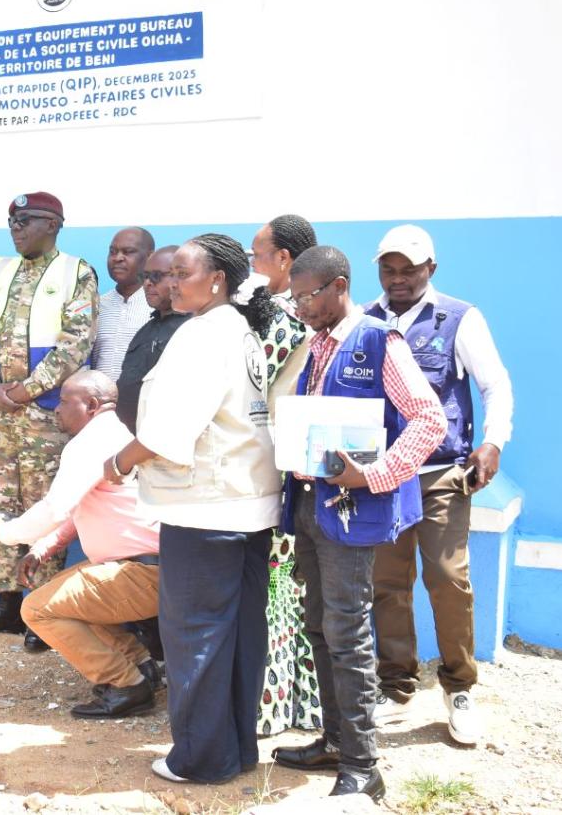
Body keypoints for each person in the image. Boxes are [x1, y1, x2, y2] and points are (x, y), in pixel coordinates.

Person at [105, 233, 282, 785]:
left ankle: (201, 759)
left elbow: (167, 431)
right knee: (236, 638)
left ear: (217, 280)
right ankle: (234, 750)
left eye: (182, 273)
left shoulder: (202, 335)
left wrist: (119, 462)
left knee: (197, 640)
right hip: (246, 508)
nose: (172, 282)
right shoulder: (238, 330)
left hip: (205, 511)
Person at [271, 246, 447, 802]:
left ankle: (364, 765)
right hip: (310, 506)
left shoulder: (378, 341)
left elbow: (428, 420)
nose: (299, 308)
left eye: (307, 296)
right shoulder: (317, 344)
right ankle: (335, 740)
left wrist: (374, 475)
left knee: (347, 633)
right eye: (293, 298)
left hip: (352, 512)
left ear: (338, 285)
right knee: (320, 626)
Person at [365, 225, 513, 744]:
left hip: (440, 476)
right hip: (381, 479)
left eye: (409, 269)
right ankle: (396, 685)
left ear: (431, 268)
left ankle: (459, 687)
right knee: (386, 584)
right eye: (390, 269)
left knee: (448, 581)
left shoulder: (458, 318)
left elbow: (495, 383)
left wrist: (492, 443)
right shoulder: (365, 319)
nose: (398, 279)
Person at [0, 192, 98, 645]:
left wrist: (28, 389)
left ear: (54, 224)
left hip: (47, 416)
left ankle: (40, 607)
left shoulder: (76, 273)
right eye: (13, 221)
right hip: (1, 417)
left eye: (27, 220)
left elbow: (76, 344)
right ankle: (4, 601)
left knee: (46, 508)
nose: (17, 228)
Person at [0, 370, 161, 719]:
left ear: (92, 405)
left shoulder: (91, 443)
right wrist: (43, 547)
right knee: (68, 598)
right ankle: (140, 668)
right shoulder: (113, 434)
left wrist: (5, 533)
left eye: (65, 401)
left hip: (141, 570)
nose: (56, 408)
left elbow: (55, 508)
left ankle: (125, 684)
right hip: (140, 565)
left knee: (37, 609)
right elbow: (81, 508)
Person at [247, 213, 322, 737]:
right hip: (291, 469)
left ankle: (270, 708)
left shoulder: (285, 323)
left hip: (275, 473)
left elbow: (256, 389)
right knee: (290, 592)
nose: (252, 265)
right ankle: (301, 705)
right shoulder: (299, 319)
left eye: (258, 255)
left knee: (277, 590)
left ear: (284, 260)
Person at [115, 246, 188, 431]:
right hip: (130, 442)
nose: (148, 283)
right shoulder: (146, 330)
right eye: (145, 276)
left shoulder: (193, 329)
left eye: (156, 276)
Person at [92, 227, 154, 381]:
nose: (117, 258)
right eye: (112, 252)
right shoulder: (95, 306)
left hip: (141, 401)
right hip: (98, 402)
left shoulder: (160, 307)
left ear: (150, 257)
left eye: (128, 252)